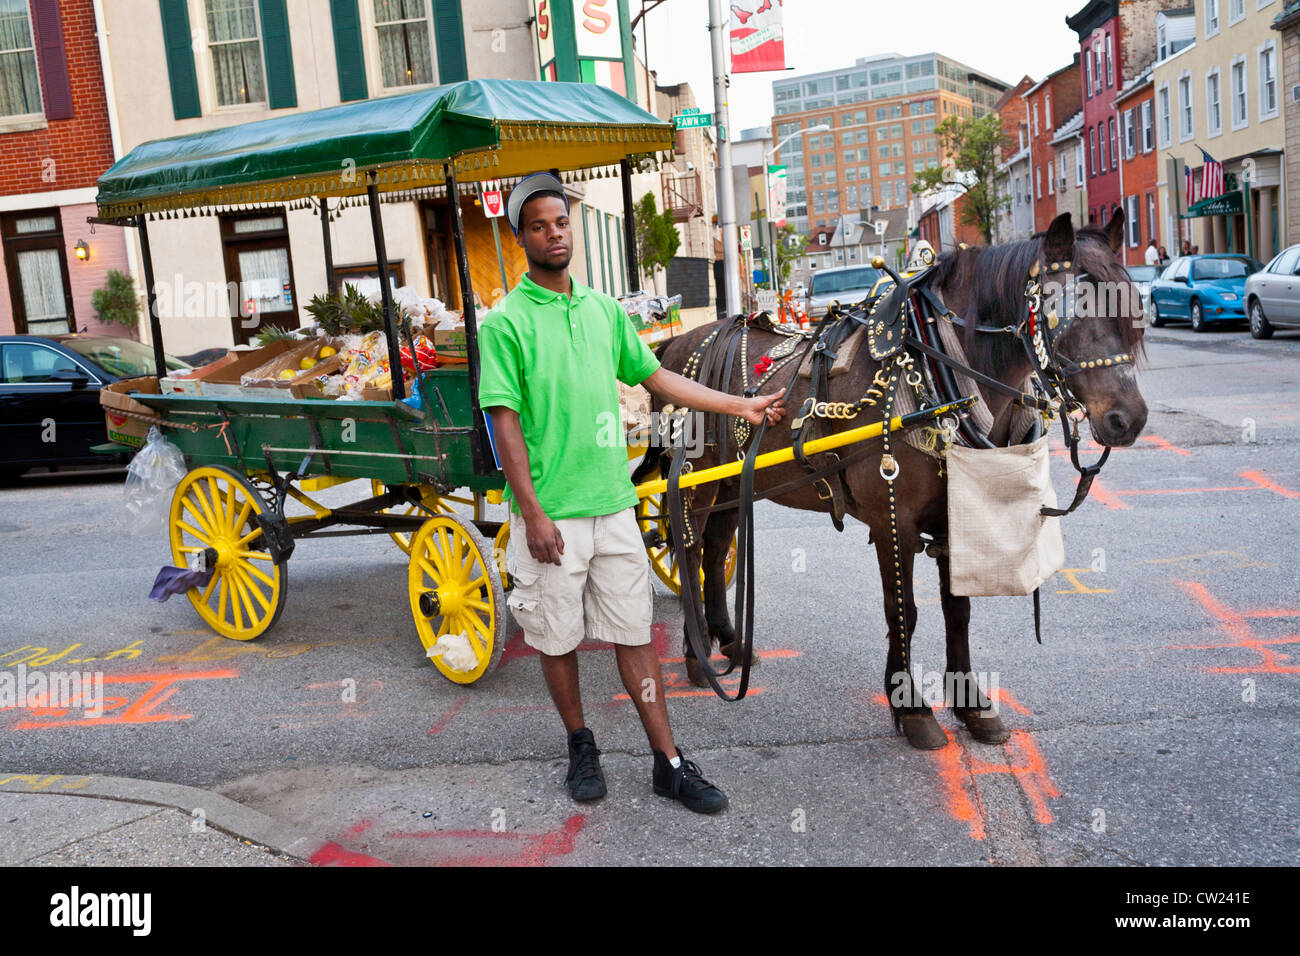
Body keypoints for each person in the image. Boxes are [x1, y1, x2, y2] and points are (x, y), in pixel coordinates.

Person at [477, 172, 787, 813]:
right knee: (557, 640)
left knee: (634, 635)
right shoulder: (505, 323)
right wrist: (531, 512)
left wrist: (742, 405)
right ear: (522, 236)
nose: (553, 234)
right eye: (538, 225)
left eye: (560, 223)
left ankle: (668, 763)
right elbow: (503, 422)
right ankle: (580, 743)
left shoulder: (601, 311)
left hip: (614, 505)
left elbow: (658, 379)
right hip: (552, 514)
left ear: (572, 228)